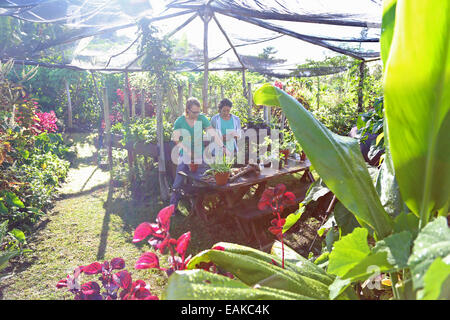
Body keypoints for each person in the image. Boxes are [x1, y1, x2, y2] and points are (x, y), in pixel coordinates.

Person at [170, 97, 227, 213]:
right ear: (187, 110)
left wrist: (222, 146)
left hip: (200, 155)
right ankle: (171, 210)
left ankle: (203, 207)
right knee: (178, 182)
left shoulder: (202, 119)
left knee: (205, 179)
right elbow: (176, 139)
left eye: (198, 112)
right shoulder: (180, 121)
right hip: (184, 156)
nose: (197, 114)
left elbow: (213, 133)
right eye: (194, 112)